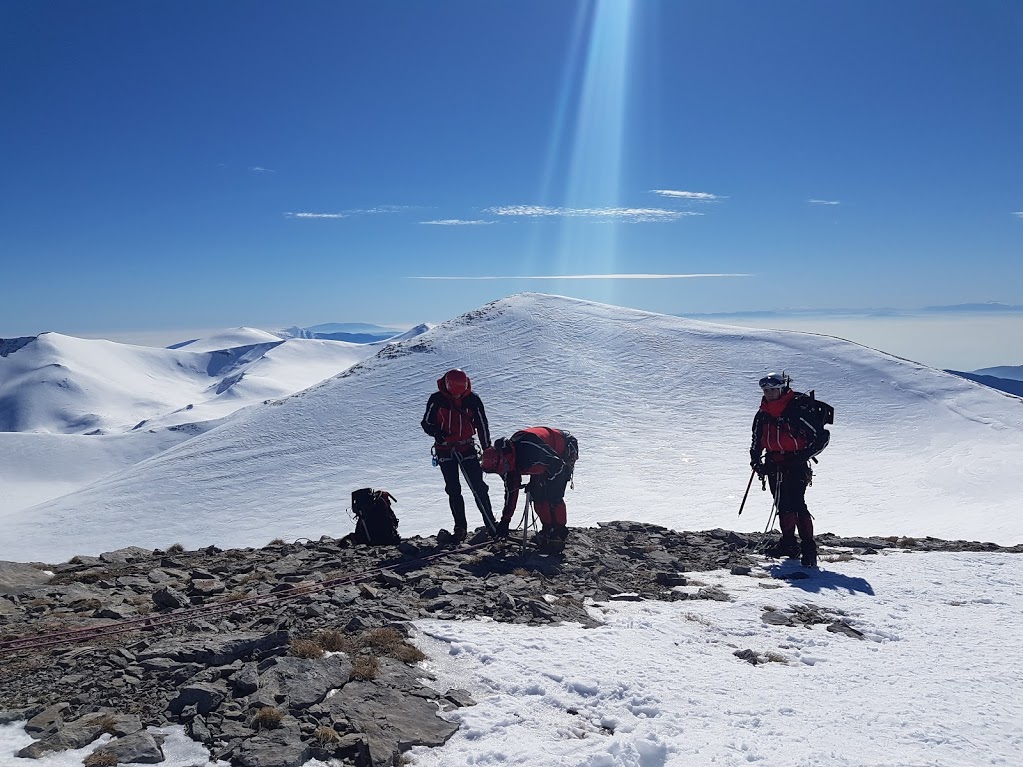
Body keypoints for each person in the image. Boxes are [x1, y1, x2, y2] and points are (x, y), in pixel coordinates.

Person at [749, 373, 830, 567]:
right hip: (773, 463)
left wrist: (802, 457)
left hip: (795, 464)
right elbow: (756, 440)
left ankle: (808, 549)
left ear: (782, 389)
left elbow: (821, 436)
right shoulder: (763, 413)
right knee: (782, 504)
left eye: (772, 390)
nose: (768, 394)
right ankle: (789, 544)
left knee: (797, 504)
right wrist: (755, 461)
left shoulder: (796, 409)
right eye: (766, 390)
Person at [421, 369, 497, 541]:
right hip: (445, 449)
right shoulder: (437, 399)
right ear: (447, 387)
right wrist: (437, 433)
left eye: (459, 394)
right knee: (453, 489)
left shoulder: (473, 399)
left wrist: (487, 448)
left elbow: (481, 424)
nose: (456, 397)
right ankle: (460, 527)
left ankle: (490, 523)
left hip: (466, 447)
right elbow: (426, 422)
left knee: (478, 487)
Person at [480, 427, 578, 550]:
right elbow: (512, 493)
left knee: (554, 496)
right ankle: (547, 529)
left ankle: (559, 532)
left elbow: (557, 464)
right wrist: (505, 521)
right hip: (546, 462)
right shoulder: (509, 464)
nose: (502, 472)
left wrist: (545, 482)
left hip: (563, 450)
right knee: (537, 495)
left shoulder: (529, 447)